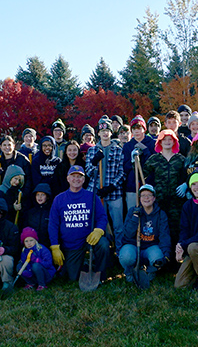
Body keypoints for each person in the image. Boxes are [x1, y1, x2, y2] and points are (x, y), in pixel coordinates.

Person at [48, 165, 109, 285]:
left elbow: (102, 217)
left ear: (84, 179)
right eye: (73, 176)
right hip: (71, 244)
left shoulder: (92, 197)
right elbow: (53, 224)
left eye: (79, 177)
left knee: (104, 244)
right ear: (68, 179)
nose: (76, 179)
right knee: (72, 277)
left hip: (89, 239)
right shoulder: (59, 199)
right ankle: (85, 264)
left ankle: (101, 274)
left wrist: (98, 230)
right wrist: (54, 246)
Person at [142, 130, 187, 252]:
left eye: (170, 139)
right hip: (159, 201)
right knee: (160, 228)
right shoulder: (154, 159)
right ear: (160, 142)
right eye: (164, 139)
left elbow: (188, 176)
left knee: (175, 228)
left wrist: (185, 185)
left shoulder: (181, 159)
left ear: (174, 142)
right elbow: (142, 175)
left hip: (176, 202)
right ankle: (161, 256)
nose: (167, 142)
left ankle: (175, 257)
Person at [85, 118, 125, 252]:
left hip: (114, 193)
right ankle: (100, 251)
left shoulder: (118, 150)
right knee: (97, 223)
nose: (105, 133)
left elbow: (122, 172)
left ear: (111, 132)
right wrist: (94, 163)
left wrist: (112, 186)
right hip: (96, 192)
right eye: (102, 131)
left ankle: (119, 250)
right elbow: (88, 173)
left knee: (118, 225)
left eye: (107, 131)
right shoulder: (92, 151)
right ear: (98, 133)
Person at [120, 184, 171, 285]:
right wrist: (135, 218)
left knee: (157, 257)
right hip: (134, 245)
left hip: (151, 246)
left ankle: (151, 271)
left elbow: (164, 235)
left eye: (149, 195)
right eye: (143, 195)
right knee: (126, 256)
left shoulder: (160, 214)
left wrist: (166, 255)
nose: (146, 198)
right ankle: (130, 272)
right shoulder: (132, 211)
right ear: (139, 198)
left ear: (154, 198)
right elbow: (128, 234)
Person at [122, 116, 155, 210]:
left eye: (139, 128)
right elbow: (125, 167)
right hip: (132, 185)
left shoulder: (152, 143)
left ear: (144, 129)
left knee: (149, 211)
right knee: (133, 211)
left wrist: (145, 151)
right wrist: (132, 161)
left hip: (148, 183)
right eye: (134, 129)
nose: (136, 131)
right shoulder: (128, 146)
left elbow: (154, 163)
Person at [17, 227, 55, 291]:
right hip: (33, 274)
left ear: (35, 240)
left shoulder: (42, 249)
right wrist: (26, 271)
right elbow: (24, 262)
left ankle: (42, 284)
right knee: (19, 266)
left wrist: (39, 260)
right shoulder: (24, 251)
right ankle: (31, 283)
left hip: (46, 274)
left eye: (31, 240)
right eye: (26, 241)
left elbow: (49, 264)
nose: (29, 243)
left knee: (35, 265)